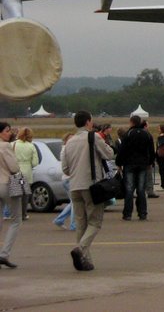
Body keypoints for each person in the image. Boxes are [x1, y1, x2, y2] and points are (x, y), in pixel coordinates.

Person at [62, 110, 114, 271]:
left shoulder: (69, 142)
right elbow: (109, 154)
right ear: (87, 122)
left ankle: (85, 259)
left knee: (80, 224)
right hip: (91, 186)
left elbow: (65, 168)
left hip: (74, 186)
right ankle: (80, 249)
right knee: (95, 222)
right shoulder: (93, 137)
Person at [115, 114, 155, 221]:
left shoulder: (128, 134)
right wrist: (150, 162)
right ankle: (142, 213)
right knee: (141, 189)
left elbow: (122, 150)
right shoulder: (146, 134)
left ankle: (127, 213)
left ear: (131, 122)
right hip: (143, 165)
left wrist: (118, 162)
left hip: (129, 164)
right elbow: (151, 150)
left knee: (129, 189)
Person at [0, 121, 23, 268]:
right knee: (16, 220)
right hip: (6, 183)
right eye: (7, 130)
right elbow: (14, 167)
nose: (10, 133)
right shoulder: (5, 146)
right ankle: (4, 254)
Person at [13, 127, 39, 220]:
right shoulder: (31, 146)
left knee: (16, 194)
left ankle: (15, 214)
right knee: (25, 195)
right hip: (27, 172)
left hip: (16, 171)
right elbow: (35, 162)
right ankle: (23, 214)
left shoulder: (13, 144)